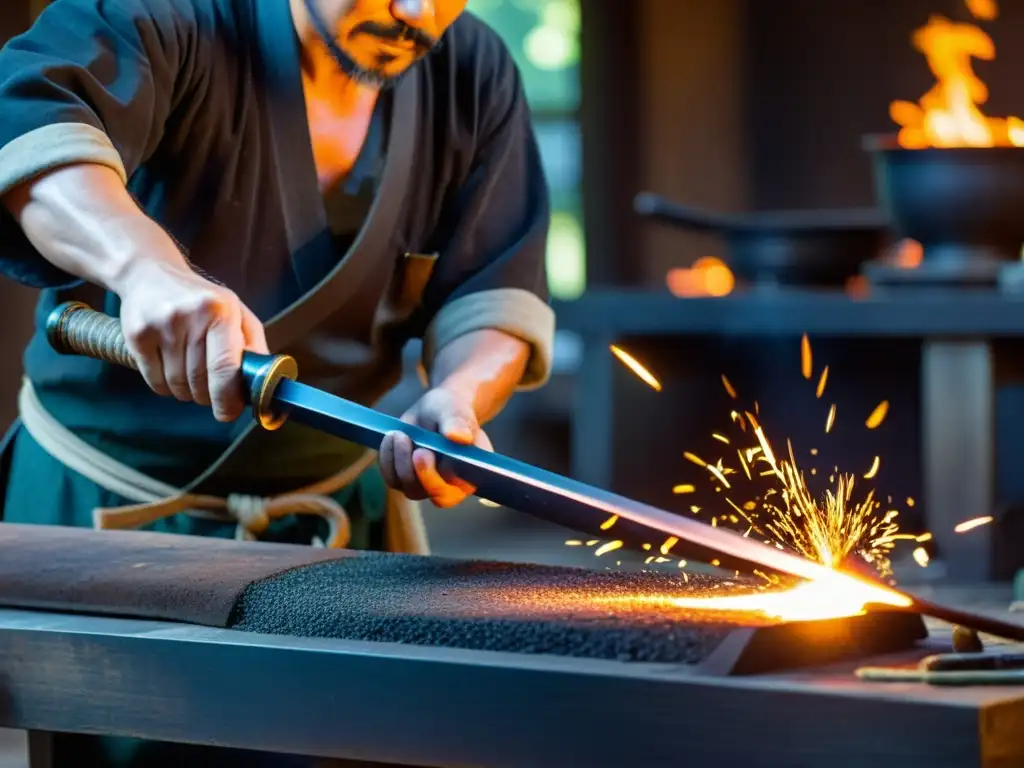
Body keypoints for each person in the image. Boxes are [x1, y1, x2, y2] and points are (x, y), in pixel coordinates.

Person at [0, 0, 553, 763]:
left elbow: (492, 291)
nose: (414, 10)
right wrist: (144, 269)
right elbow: (32, 122)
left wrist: (460, 392)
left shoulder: (473, 68)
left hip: (335, 537)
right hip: (107, 520)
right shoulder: (172, 12)